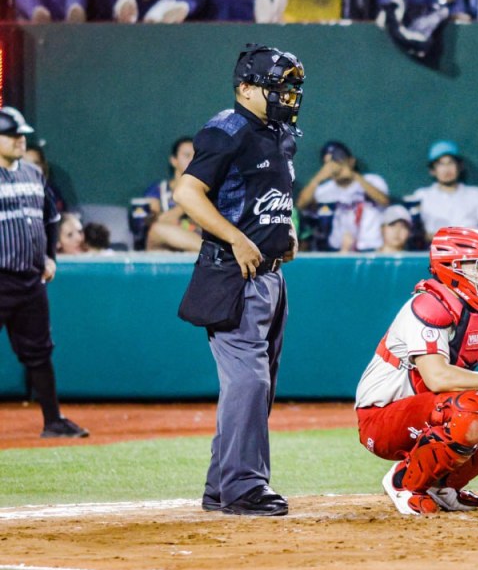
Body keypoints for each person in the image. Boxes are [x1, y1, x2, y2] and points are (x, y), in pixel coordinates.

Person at [173, 44, 305, 517]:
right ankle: (244, 487)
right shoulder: (227, 129)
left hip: (271, 275)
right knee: (247, 382)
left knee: (257, 385)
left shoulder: (281, 133)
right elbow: (186, 192)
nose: (287, 95)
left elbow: (268, 195)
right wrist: (236, 239)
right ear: (245, 89)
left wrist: (283, 231)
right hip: (234, 273)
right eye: (277, 86)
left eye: (291, 87)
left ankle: (220, 486)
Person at [355, 226, 478, 515]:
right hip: (382, 418)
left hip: (431, 408)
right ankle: (405, 482)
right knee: (470, 407)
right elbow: (437, 377)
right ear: (451, 267)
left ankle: (443, 487)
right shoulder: (427, 306)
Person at [0, 106, 89, 439]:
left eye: (22, 135)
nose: (20, 141)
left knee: (40, 352)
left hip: (30, 280)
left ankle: (53, 420)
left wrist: (50, 256)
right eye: (12, 136)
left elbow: (51, 218)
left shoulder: (33, 174)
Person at [296, 140, 390, 252]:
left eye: (338, 161)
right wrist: (318, 178)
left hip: (372, 248)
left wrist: (354, 175)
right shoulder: (324, 190)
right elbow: (300, 205)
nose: (335, 167)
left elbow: (384, 201)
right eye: (329, 164)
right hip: (339, 249)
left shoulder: (372, 180)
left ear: (351, 162)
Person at [409, 140, 478, 242]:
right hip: (435, 250)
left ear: (459, 167)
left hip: (471, 250)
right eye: (441, 164)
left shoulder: (476, 193)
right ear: (432, 170)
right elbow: (415, 232)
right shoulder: (421, 196)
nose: (446, 169)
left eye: (450, 163)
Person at [142, 137, 203, 252]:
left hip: (195, 246)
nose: (192, 160)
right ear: (174, 160)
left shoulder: (207, 190)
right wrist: (187, 203)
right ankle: (213, 253)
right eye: (187, 155)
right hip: (165, 248)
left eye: (196, 156)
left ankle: (211, 253)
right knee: (156, 229)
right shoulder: (158, 189)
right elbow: (154, 223)